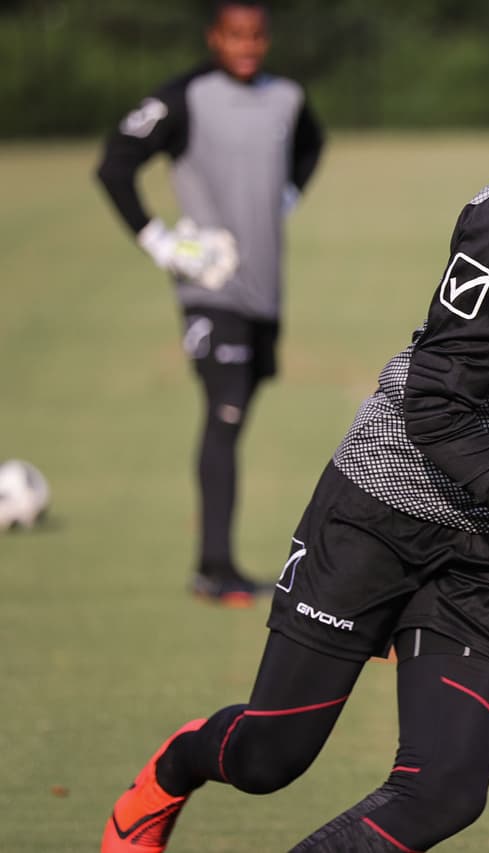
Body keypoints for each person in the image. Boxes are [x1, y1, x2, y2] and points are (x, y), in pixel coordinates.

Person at [101, 30, 489, 853]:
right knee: (270, 757)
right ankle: (170, 770)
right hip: (383, 507)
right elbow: (433, 406)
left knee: (443, 791)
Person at [95, 0, 325, 605]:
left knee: (238, 413)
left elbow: (312, 144)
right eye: (234, 35)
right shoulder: (184, 97)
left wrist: (285, 197)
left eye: (256, 36)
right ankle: (214, 568)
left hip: (264, 290)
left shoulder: (286, 98)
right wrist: (160, 241)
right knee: (224, 414)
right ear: (214, 38)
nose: (246, 46)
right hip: (211, 290)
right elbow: (114, 165)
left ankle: (216, 565)